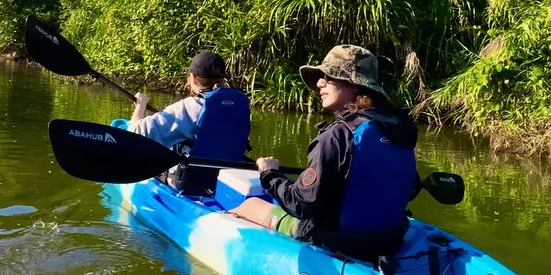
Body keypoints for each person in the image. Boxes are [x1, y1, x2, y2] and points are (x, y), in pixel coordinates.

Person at [233, 45, 421, 260]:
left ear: (353, 86)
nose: (319, 83)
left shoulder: (337, 135)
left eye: (329, 77)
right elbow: (410, 188)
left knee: (249, 205)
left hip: (338, 242)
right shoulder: (400, 129)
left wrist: (269, 174)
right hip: (390, 240)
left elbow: (302, 205)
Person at [125, 52, 251, 196]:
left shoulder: (186, 108)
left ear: (192, 78)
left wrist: (140, 106)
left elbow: (134, 135)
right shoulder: (239, 104)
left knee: (156, 157)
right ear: (222, 79)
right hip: (227, 179)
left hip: (192, 181)